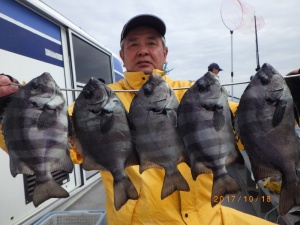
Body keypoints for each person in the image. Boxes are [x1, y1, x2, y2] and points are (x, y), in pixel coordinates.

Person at [0, 14, 277, 225]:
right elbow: (48, 139)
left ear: (164, 53)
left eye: (151, 43)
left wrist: (292, 100)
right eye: (133, 44)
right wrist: (11, 111)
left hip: (209, 218)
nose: (143, 50)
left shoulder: (192, 92)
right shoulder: (100, 101)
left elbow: (254, 123)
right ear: (122, 57)